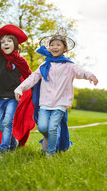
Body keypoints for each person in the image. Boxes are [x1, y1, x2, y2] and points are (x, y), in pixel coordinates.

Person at [14, 28, 98, 156]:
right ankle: (47, 139)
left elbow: (81, 71)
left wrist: (90, 75)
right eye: (52, 45)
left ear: (65, 49)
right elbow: (32, 79)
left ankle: (50, 154)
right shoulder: (44, 66)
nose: (54, 47)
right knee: (42, 127)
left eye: (58, 44)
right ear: (49, 48)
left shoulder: (69, 66)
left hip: (61, 103)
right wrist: (20, 88)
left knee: (53, 127)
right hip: (45, 103)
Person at [0, 24, 35, 157]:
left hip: (13, 97)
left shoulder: (21, 61)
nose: (5, 43)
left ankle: (4, 150)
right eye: (3, 42)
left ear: (15, 44)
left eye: (9, 41)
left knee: (8, 122)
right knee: (2, 125)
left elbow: (30, 77)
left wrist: (35, 89)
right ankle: (13, 142)